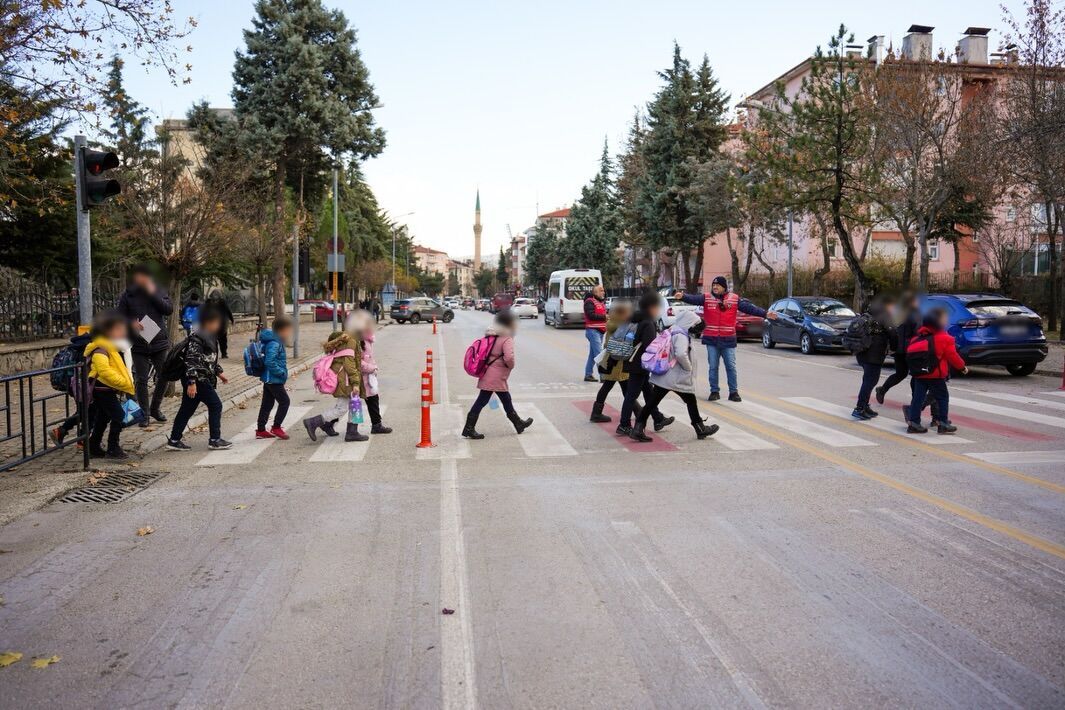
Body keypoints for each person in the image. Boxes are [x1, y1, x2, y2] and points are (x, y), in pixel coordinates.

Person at [676, 276, 777, 402]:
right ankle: (714, 391)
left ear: (724, 287)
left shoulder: (734, 299)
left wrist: (765, 313)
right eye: (713, 285)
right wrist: (683, 296)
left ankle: (733, 392)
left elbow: (749, 308)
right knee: (713, 367)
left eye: (717, 285)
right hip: (712, 339)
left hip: (728, 339)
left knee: (731, 366)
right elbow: (694, 299)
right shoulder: (706, 298)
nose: (715, 287)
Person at [630, 310, 719, 442]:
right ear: (688, 323)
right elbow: (681, 354)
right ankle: (700, 429)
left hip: (667, 376)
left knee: (655, 402)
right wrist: (688, 368)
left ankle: (638, 428)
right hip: (675, 377)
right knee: (688, 400)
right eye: (695, 323)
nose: (696, 326)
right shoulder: (681, 335)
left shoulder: (673, 330)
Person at [166, 307, 231, 451]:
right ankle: (215, 439)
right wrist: (191, 382)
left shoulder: (209, 336)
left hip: (200, 378)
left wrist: (219, 373)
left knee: (186, 409)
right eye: (217, 322)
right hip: (198, 379)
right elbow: (191, 360)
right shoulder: (198, 337)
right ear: (208, 322)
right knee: (216, 405)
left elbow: (208, 360)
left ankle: (174, 439)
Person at [462, 310, 533, 439]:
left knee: (505, 398)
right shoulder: (506, 338)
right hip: (496, 374)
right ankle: (468, 428)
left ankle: (518, 423)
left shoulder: (492, 334)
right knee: (483, 400)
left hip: (490, 372)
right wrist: (510, 366)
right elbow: (509, 358)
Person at [117, 265, 173, 427]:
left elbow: (168, 309)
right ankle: (145, 413)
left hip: (159, 341)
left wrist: (152, 293)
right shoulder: (128, 295)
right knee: (141, 379)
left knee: (164, 376)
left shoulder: (157, 290)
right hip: (139, 343)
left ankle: (155, 408)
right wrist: (130, 324)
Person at [617, 292, 674, 436]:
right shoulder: (648, 322)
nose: (658, 310)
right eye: (656, 306)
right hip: (639, 364)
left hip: (633, 361)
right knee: (631, 395)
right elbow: (649, 346)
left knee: (649, 392)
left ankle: (657, 418)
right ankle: (624, 424)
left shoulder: (635, 318)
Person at [905, 309, 968, 435]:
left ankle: (914, 423)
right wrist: (962, 368)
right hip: (935, 375)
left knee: (918, 398)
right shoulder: (945, 338)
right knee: (943, 397)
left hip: (919, 374)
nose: (946, 321)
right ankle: (943, 422)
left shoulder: (916, 339)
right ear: (938, 323)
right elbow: (953, 356)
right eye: (944, 319)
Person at [83, 313, 136, 459]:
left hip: (107, 388)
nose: (123, 332)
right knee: (119, 416)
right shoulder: (101, 348)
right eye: (119, 329)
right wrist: (122, 382)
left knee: (103, 417)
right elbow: (104, 371)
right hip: (101, 388)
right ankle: (113, 447)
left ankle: (93, 446)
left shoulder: (111, 347)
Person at [303, 330, 366, 442]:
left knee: (353, 405)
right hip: (346, 380)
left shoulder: (344, 338)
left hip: (343, 378)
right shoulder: (351, 341)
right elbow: (349, 364)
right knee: (342, 408)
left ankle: (352, 432)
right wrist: (356, 383)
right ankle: (314, 422)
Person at [851, 295, 897, 420]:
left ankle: (865, 406)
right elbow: (892, 333)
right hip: (874, 355)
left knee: (868, 380)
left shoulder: (868, 314)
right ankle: (860, 408)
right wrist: (894, 348)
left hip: (862, 352)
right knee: (870, 381)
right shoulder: (884, 315)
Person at [875, 292, 920, 405]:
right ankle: (916, 402)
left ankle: (882, 389)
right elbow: (918, 333)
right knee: (916, 375)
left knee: (901, 373)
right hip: (910, 349)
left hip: (898, 349)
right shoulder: (914, 314)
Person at [49, 330, 93, 446]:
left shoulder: (79, 345)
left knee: (86, 410)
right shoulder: (88, 347)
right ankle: (64, 432)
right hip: (81, 385)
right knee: (87, 411)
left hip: (74, 384)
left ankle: (81, 437)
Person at [354, 312, 392, 435]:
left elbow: (368, 357)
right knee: (345, 404)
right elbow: (358, 362)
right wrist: (372, 368)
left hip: (367, 377)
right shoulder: (357, 341)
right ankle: (324, 422)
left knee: (372, 399)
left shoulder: (367, 338)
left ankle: (376, 425)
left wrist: (373, 368)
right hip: (359, 377)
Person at [255, 316, 293, 440]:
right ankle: (276, 427)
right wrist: (281, 372)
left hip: (269, 378)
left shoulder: (274, 341)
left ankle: (261, 430)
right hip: (273, 379)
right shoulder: (275, 343)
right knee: (285, 402)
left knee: (267, 404)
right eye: (288, 330)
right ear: (282, 330)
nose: (289, 333)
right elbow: (269, 361)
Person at [583, 284, 607, 382]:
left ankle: (588, 374)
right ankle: (603, 376)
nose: (603, 292)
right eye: (601, 290)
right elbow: (591, 316)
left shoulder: (600, 302)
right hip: (593, 331)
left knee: (593, 354)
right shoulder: (589, 302)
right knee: (599, 354)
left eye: (603, 290)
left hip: (600, 331)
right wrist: (605, 317)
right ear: (595, 292)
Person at [205, 292, 235, 358]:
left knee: (213, 340)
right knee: (222, 340)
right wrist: (232, 320)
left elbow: (203, 313)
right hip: (221, 324)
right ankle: (223, 354)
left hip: (215, 325)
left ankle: (215, 354)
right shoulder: (222, 302)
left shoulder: (209, 303)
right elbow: (228, 311)